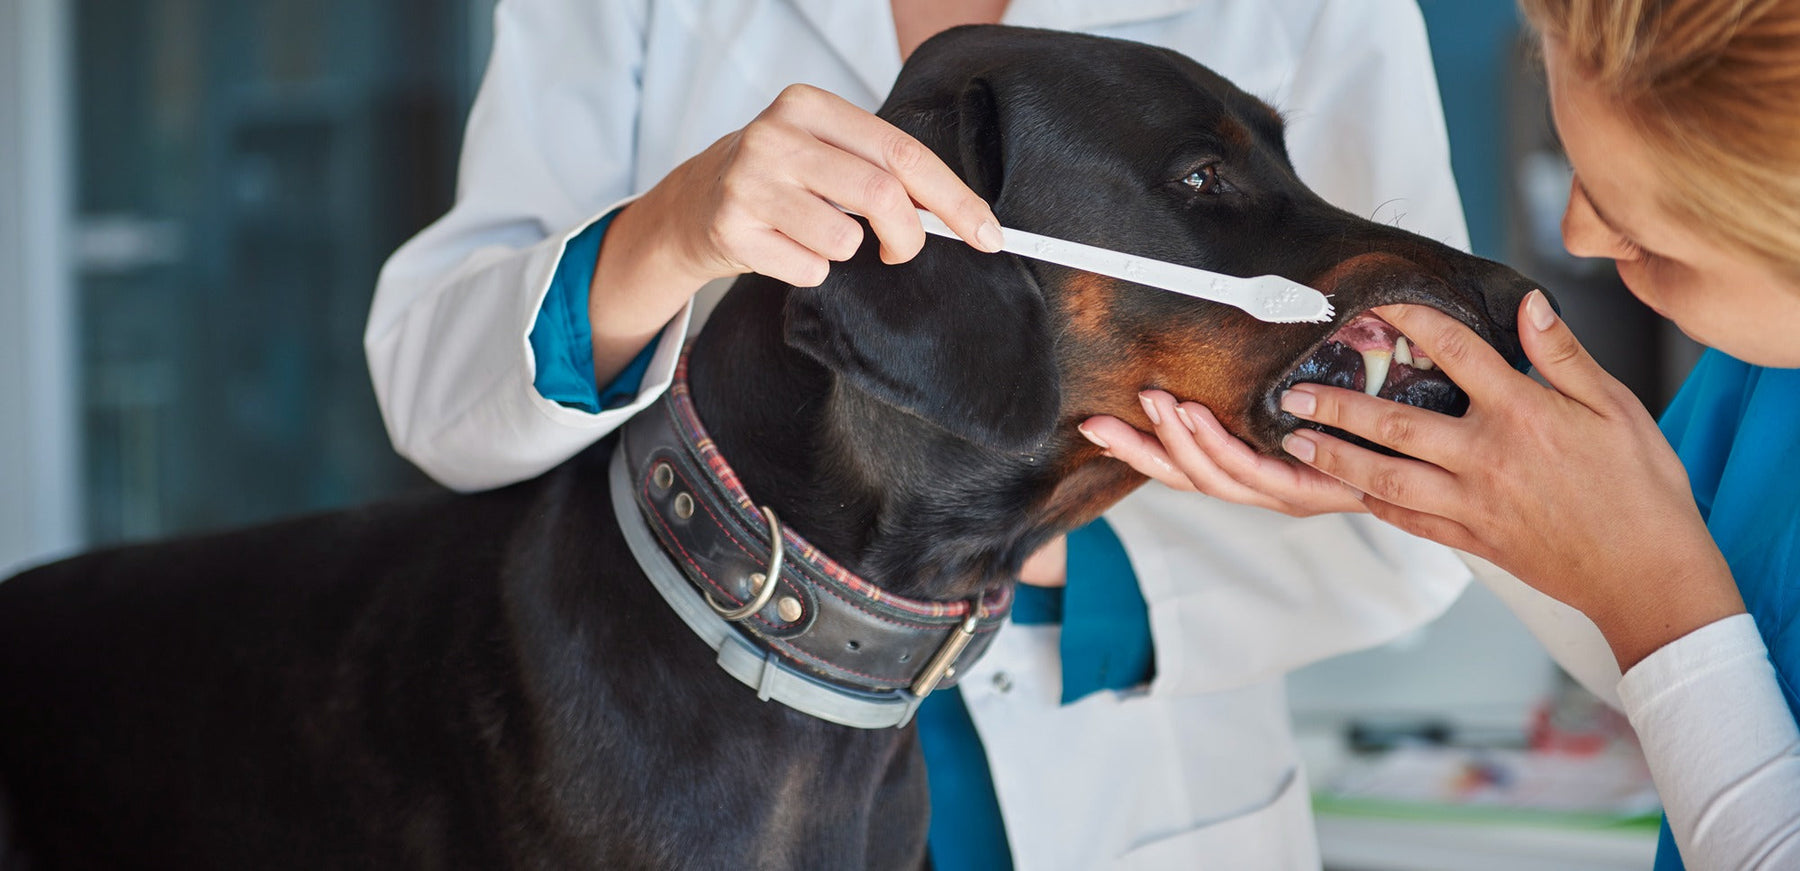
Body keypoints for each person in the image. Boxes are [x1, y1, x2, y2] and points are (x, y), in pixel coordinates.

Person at [367, 0, 1475, 866]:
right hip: (684, 752)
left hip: (1114, 791)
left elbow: (1435, 490)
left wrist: (983, 554)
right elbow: (435, 393)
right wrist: (670, 228)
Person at [1083, 0, 1800, 867]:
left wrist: (1660, 586)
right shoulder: (1765, 371)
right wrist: (1441, 475)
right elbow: (1704, 681)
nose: (1576, 234)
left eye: (1651, 242)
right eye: (1576, 164)